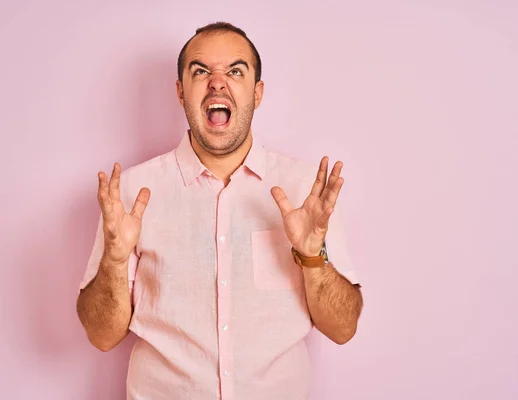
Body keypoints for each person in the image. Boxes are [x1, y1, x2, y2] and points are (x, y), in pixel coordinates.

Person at [76, 21, 363, 400]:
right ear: (180, 92)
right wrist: (114, 260)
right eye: (200, 71)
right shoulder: (130, 193)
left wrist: (313, 257)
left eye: (235, 71)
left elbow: (343, 329)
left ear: (257, 93)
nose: (217, 82)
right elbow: (101, 335)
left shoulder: (305, 191)